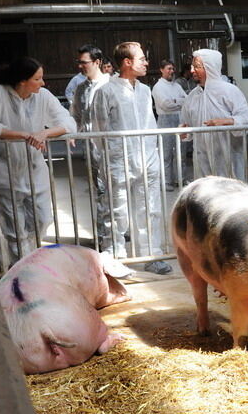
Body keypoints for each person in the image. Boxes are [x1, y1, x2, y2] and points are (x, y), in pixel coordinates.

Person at [0, 56, 76, 265]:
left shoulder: (44, 96)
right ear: (23, 81)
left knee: (42, 218)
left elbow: (67, 121)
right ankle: (21, 270)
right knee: (15, 228)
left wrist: (44, 134)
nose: (43, 83)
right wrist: (22, 135)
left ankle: (28, 260)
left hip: (34, 169)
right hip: (3, 171)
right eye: (38, 79)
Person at [90, 42, 171, 275]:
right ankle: (115, 257)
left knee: (151, 208)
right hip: (119, 160)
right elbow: (99, 131)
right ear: (127, 62)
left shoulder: (145, 91)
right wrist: (111, 157)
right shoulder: (106, 91)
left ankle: (151, 254)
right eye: (142, 59)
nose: (146, 63)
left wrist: (152, 153)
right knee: (118, 211)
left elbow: (150, 123)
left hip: (147, 158)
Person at [69, 44, 130, 276]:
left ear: (96, 62)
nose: (80, 66)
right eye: (80, 62)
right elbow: (76, 114)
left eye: (84, 62)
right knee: (99, 193)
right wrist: (74, 133)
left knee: (115, 195)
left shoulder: (111, 86)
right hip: (91, 149)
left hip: (112, 149)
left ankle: (113, 244)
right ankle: (104, 240)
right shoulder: (81, 88)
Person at [180, 48, 248, 180]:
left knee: (230, 195)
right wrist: (184, 132)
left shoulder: (229, 91)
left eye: (197, 67)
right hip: (202, 160)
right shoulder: (191, 97)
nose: (191, 71)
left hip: (227, 158)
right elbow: (187, 126)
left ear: (210, 67)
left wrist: (226, 121)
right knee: (206, 197)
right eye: (192, 66)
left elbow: (247, 119)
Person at [151, 58, 188, 190]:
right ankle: (166, 181)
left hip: (179, 119)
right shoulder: (158, 87)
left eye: (172, 69)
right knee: (166, 153)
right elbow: (165, 105)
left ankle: (181, 179)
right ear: (162, 70)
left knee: (181, 152)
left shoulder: (177, 86)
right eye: (168, 69)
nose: (171, 71)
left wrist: (175, 101)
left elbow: (187, 100)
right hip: (165, 121)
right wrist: (179, 102)